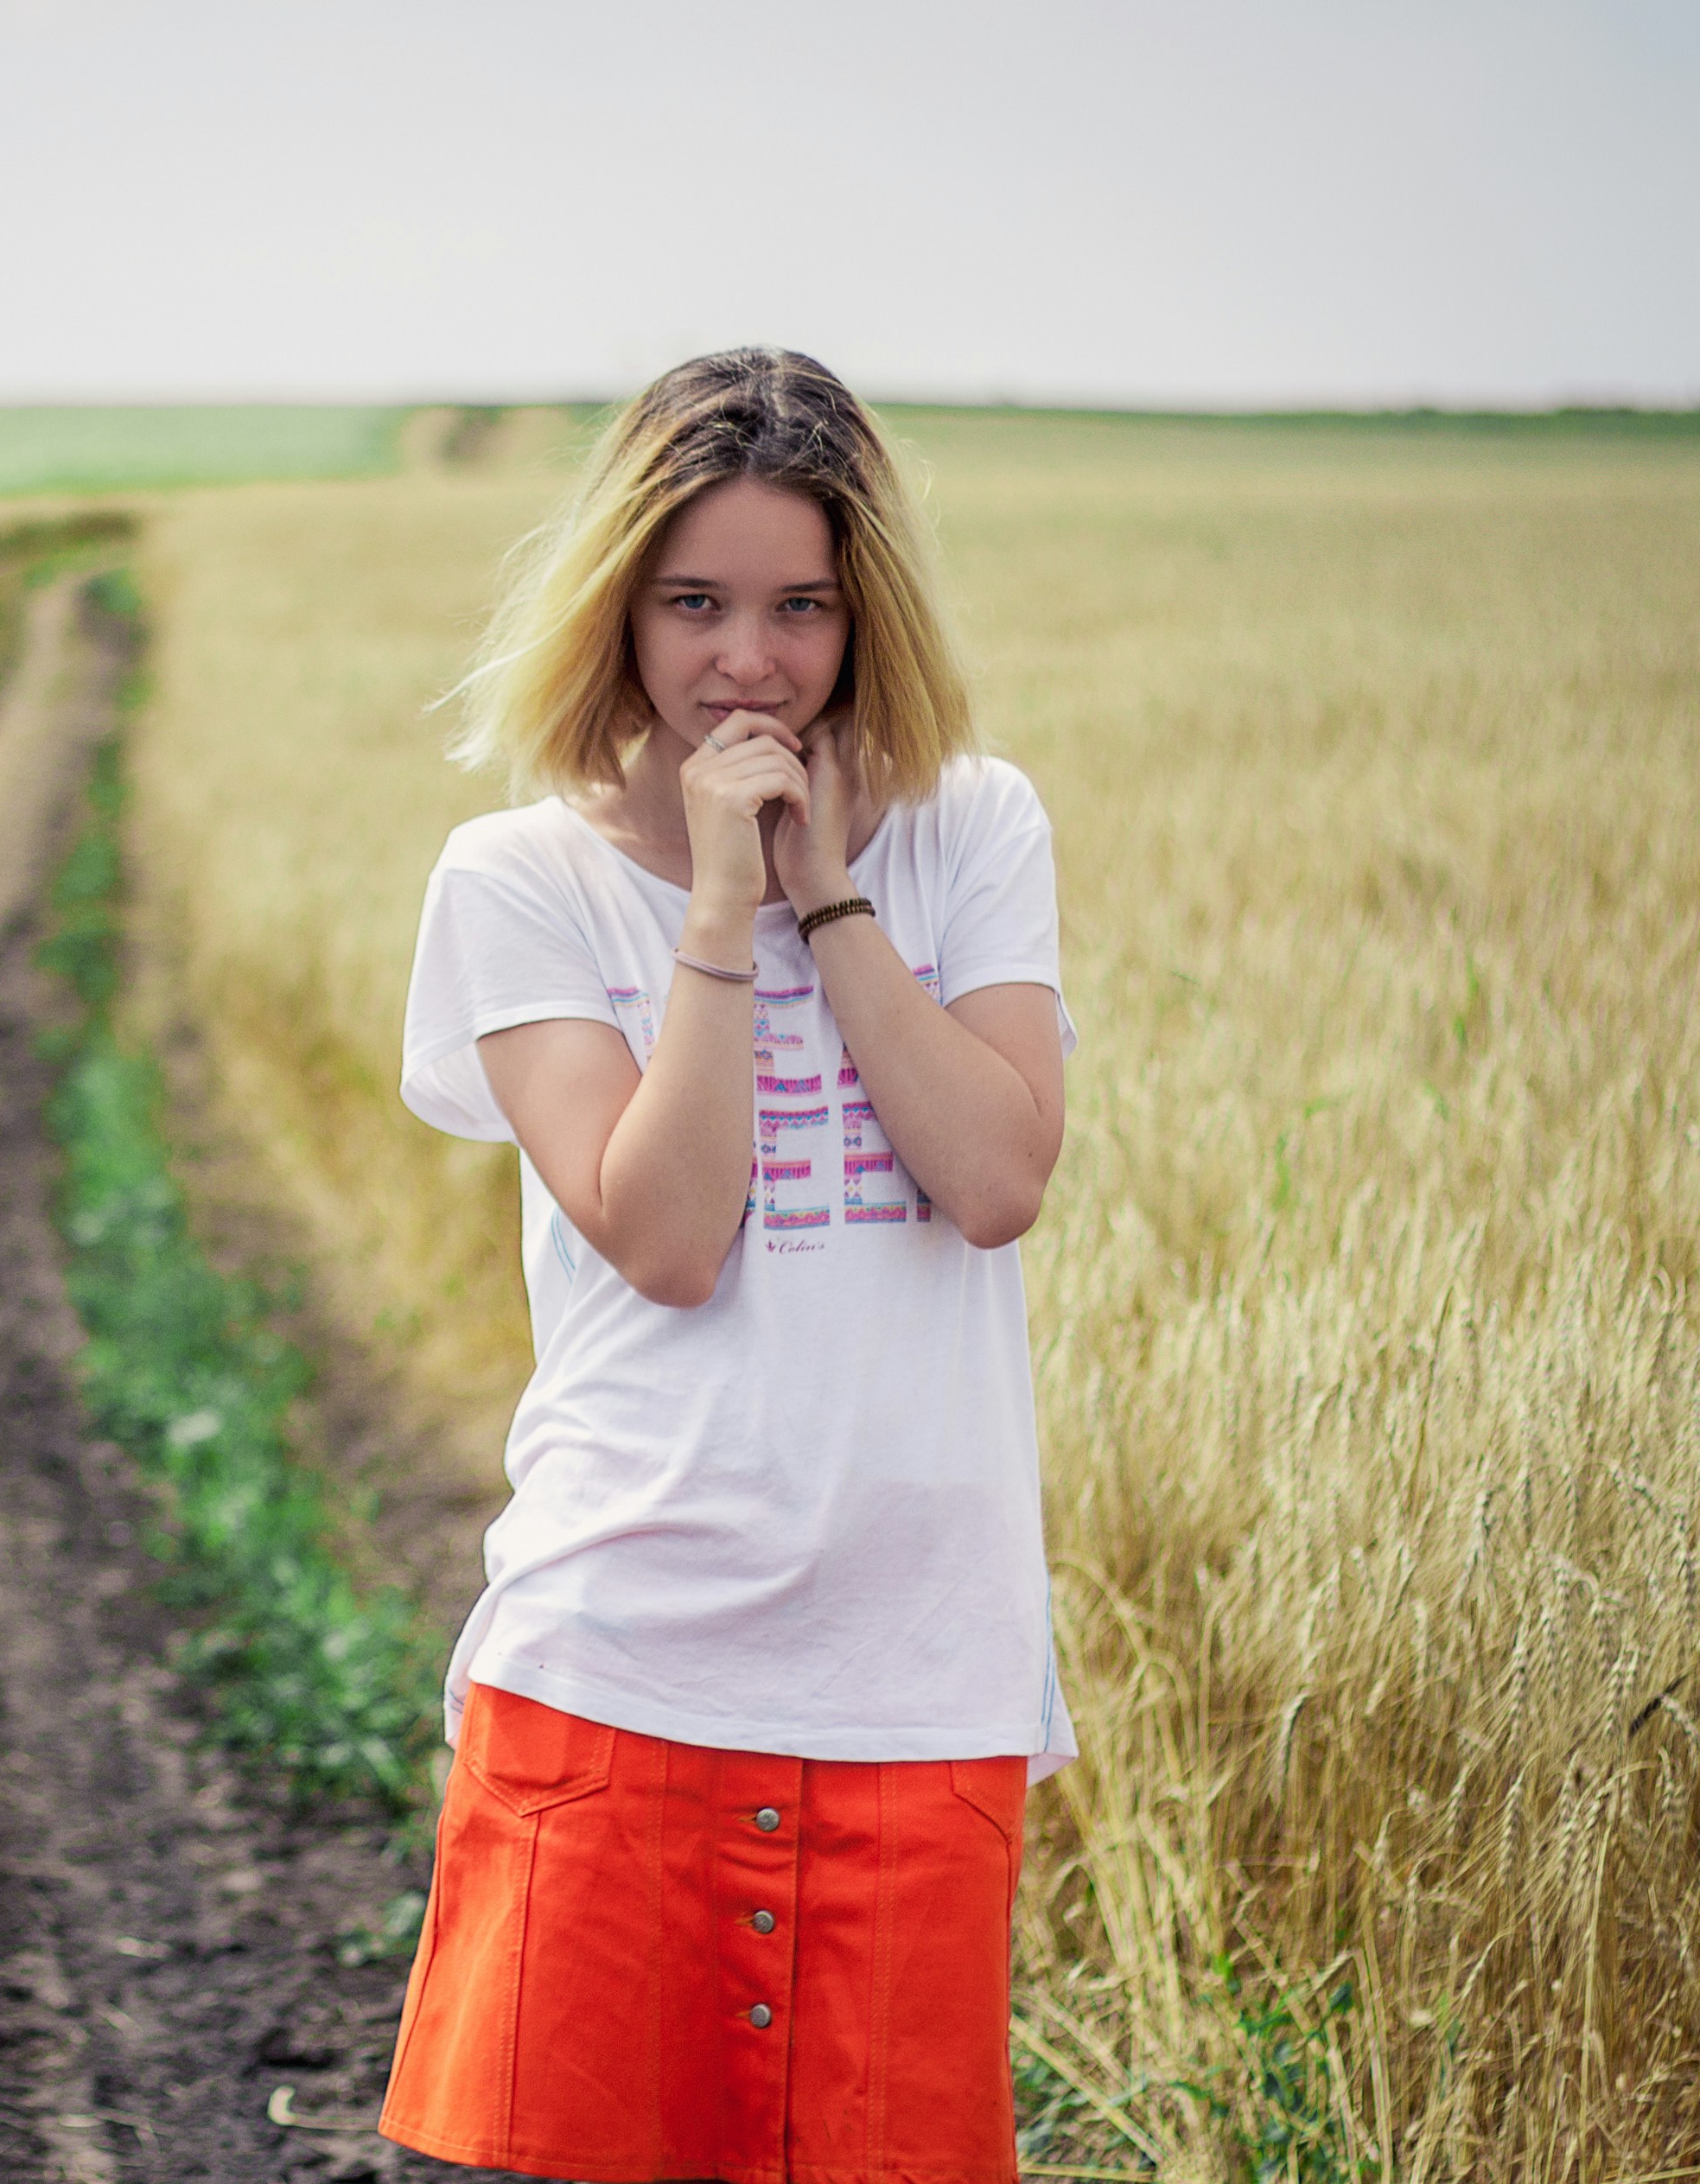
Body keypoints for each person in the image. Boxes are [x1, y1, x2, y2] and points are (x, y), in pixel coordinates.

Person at [379, 347, 1076, 2184]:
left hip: (914, 1680)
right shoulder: (515, 879)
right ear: (617, 606)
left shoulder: (969, 832)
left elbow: (994, 1173)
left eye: (797, 608)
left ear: (867, 617)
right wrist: (712, 903)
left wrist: (827, 893)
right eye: (691, 602)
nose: (743, 660)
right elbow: (667, 1236)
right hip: (622, 1676)